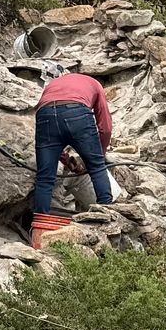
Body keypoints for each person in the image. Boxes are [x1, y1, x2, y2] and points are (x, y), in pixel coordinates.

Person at [31, 67, 116, 217]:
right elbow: (105, 127)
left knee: (44, 178)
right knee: (97, 168)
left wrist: (67, 161)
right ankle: (107, 216)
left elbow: (53, 136)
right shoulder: (94, 84)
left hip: (44, 114)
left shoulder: (53, 84)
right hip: (76, 111)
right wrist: (98, 155)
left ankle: (40, 227)